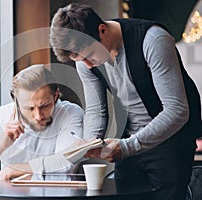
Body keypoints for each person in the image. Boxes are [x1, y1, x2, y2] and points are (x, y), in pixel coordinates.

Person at [50, 3, 202, 200]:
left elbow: (177, 110)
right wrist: (88, 144)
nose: (86, 65)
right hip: (129, 143)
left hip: (170, 141)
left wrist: (126, 146)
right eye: (79, 60)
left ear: (102, 30)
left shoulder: (153, 40)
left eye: (88, 56)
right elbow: (97, 110)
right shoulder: (85, 62)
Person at [0, 64, 84, 180]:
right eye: (29, 108)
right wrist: (0, 146)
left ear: (56, 96)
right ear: (16, 103)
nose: (38, 116)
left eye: (44, 106)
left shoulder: (70, 113)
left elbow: (65, 165)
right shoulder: (1, 116)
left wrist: (13, 170)